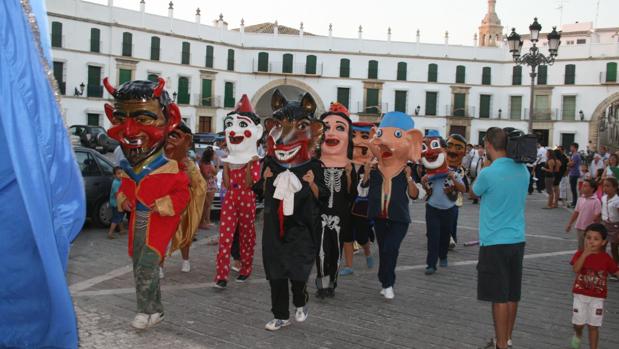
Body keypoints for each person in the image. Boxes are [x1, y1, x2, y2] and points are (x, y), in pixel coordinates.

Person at [103, 78, 190, 330]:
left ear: (170, 118)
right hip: (136, 226)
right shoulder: (133, 169)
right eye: (120, 120)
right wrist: (124, 199)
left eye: (142, 119)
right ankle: (155, 310)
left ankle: (144, 311)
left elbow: (182, 196)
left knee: (147, 266)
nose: (129, 131)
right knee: (139, 267)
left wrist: (163, 204)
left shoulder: (171, 169)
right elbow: (128, 189)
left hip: (156, 226)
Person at [256, 90, 328, 331]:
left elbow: (325, 197)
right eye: (279, 125)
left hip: (302, 228)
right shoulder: (269, 164)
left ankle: (301, 300)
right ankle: (280, 315)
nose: (285, 135)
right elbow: (257, 191)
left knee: (297, 272)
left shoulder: (315, 166)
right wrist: (263, 179)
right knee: (276, 271)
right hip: (275, 227)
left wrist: (312, 184)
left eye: (297, 126)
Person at [472, 127, 529, 349]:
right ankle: (507, 338)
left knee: (499, 296)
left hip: (494, 241)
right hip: (517, 239)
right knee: (513, 294)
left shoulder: (488, 172)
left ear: (487, 145)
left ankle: (501, 345)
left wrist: (486, 167)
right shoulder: (523, 170)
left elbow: (474, 192)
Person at [367, 111, 422, 300]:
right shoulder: (374, 169)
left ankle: (388, 282)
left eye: (397, 135)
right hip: (379, 216)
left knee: (391, 248)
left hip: (399, 218)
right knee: (383, 250)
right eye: (380, 135)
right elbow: (362, 188)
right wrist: (366, 172)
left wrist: (408, 179)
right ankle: (385, 280)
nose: (383, 142)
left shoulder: (408, 170)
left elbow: (415, 195)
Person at [214, 95, 263, 288]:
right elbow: (226, 184)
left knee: (246, 234)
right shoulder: (229, 160)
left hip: (246, 196)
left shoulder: (255, 161)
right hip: (231, 196)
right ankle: (221, 275)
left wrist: (250, 166)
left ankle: (246, 268)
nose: (233, 130)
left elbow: (251, 183)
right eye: (230, 125)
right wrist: (227, 165)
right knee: (225, 236)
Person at [315, 102, 356, 298]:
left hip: (341, 214)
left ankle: (332, 283)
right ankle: (321, 284)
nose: (331, 133)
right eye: (326, 127)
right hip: (320, 214)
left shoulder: (349, 166)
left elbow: (351, 193)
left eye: (339, 128)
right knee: (321, 250)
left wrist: (348, 174)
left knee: (336, 251)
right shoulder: (315, 165)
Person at [162, 123, 207, 275]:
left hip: (182, 205)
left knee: (185, 234)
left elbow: (200, 185)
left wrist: (188, 174)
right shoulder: (161, 159)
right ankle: (159, 266)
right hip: (164, 204)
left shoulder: (189, 163)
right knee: (161, 236)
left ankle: (186, 260)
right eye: (171, 135)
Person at [569, 223, 619, 349]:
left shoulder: (606, 258)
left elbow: (616, 271)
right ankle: (578, 334)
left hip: (598, 298)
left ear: (603, 242)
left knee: (593, 326)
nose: (591, 241)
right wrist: (585, 254)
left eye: (596, 239)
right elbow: (576, 269)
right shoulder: (579, 254)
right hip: (580, 295)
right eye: (588, 237)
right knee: (579, 324)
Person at [421, 135, 466, 275]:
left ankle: (443, 256)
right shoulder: (430, 172)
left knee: (445, 236)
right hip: (432, 208)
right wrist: (423, 182)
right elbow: (427, 189)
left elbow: (463, 189)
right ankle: (431, 265)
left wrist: (453, 178)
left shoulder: (453, 172)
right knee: (433, 237)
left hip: (449, 209)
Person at [565, 179, 601, 251]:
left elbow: (597, 216)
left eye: (585, 186)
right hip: (580, 227)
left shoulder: (596, 201)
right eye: (583, 185)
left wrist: (596, 229)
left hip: (590, 229)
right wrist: (569, 223)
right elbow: (576, 212)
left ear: (592, 189)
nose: (582, 187)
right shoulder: (580, 198)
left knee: (589, 248)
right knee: (581, 246)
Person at [601, 177, 619, 268]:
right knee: (602, 245)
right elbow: (603, 210)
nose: (605, 188)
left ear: (615, 187)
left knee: (614, 248)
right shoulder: (603, 198)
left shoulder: (617, 201)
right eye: (604, 186)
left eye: (608, 186)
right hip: (604, 224)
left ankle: (616, 267)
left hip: (615, 226)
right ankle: (602, 265)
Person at [199, 147, 218, 229]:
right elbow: (212, 173)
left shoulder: (202, 163)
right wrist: (217, 163)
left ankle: (207, 221)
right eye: (214, 155)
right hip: (209, 185)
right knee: (206, 205)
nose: (215, 156)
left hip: (207, 184)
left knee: (207, 205)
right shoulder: (208, 164)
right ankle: (203, 222)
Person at [107, 166, 125, 239]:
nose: (120, 175)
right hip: (116, 203)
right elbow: (117, 195)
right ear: (114, 175)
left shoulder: (120, 181)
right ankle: (110, 233)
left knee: (120, 217)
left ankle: (122, 230)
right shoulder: (116, 183)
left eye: (121, 173)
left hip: (119, 203)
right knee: (116, 218)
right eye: (118, 173)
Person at [568, 143, 582, 208]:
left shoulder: (576, 155)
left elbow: (571, 164)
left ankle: (575, 202)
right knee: (572, 188)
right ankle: (574, 201)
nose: (570, 148)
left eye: (572, 147)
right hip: (572, 172)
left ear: (575, 148)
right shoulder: (573, 155)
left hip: (574, 173)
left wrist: (568, 162)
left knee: (573, 188)